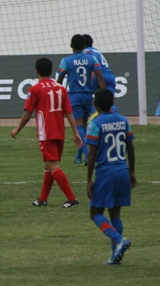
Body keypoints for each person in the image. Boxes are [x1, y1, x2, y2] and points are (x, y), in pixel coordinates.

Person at [11, 57, 82, 208]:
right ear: (51, 71)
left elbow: (28, 113)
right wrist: (76, 132)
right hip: (59, 132)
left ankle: (71, 198)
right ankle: (42, 199)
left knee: (52, 165)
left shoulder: (35, 90)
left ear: (36, 71)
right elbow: (69, 113)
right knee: (48, 166)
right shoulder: (61, 88)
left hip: (46, 133)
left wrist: (17, 129)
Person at [86, 88, 136, 265]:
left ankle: (119, 240)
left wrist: (88, 179)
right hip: (122, 170)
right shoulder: (123, 121)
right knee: (115, 212)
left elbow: (92, 154)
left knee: (95, 212)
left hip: (106, 173)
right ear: (113, 102)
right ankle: (116, 256)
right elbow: (130, 147)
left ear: (95, 104)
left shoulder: (96, 123)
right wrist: (131, 171)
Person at [56, 34, 105, 166]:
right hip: (88, 96)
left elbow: (59, 81)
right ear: (84, 46)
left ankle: (89, 157)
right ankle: (79, 157)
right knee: (84, 126)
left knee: (78, 129)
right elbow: (100, 77)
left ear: (71, 46)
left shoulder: (66, 61)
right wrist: (104, 93)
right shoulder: (92, 58)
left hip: (75, 96)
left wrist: (58, 97)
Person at [83, 34, 118, 124]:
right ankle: (115, 120)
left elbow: (92, 63)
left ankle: (94, 114)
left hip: (99, 76)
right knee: (108, 100)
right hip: (110, 76)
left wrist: (92, 74)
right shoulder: (97, 50)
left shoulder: (85, 51)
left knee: (85, 94)